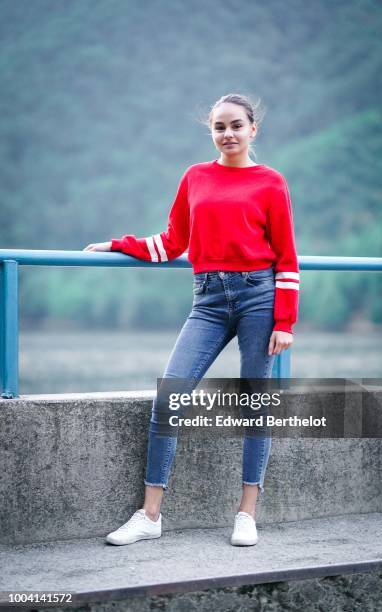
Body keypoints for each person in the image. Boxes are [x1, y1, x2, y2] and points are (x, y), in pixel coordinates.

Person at [83, 93, 300, 547]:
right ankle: (150, 515)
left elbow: (286, 257)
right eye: (219, 127)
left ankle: (245, 513)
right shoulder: (195, 177)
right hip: (208, 300)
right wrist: (119, 244)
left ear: (253, 129)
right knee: (171, 394)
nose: (228, 134)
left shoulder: (271, 182)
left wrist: (285, 320)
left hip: (259, 296)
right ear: (212, 132)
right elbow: (174, 241)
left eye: (236, 125)